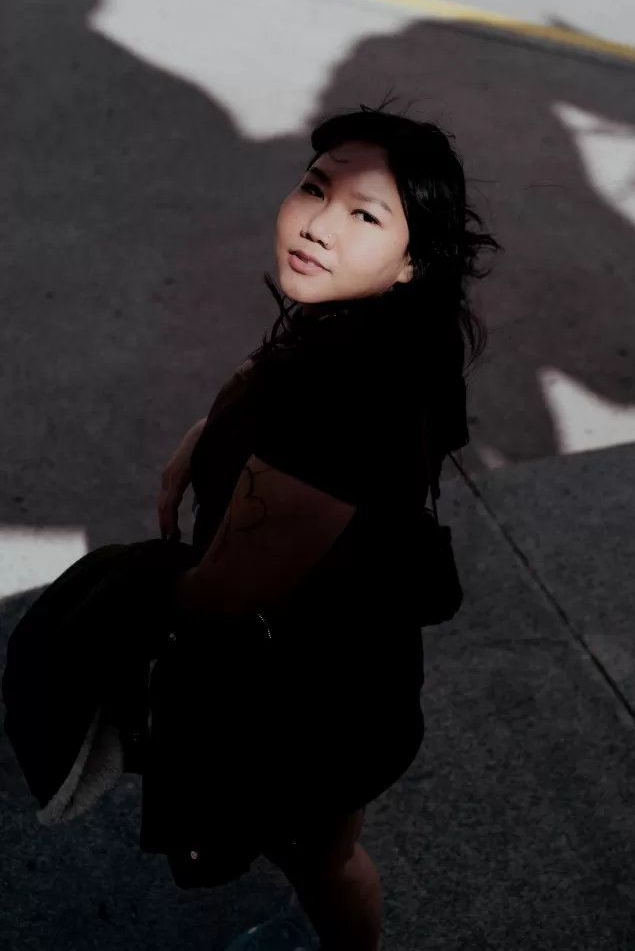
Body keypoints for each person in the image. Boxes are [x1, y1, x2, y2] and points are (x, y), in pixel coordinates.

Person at [152, 108, 498, 951]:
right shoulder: (396, 333)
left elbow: (223, 595)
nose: (316, 225)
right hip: (360, 667)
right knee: (324, 852)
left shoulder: (337, 406)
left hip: (312, 700)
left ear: (411, 260)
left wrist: (133, 616)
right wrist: (209, 430)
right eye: (314, 189)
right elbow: (273, 366)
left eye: (364, 215)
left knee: (320, 859)